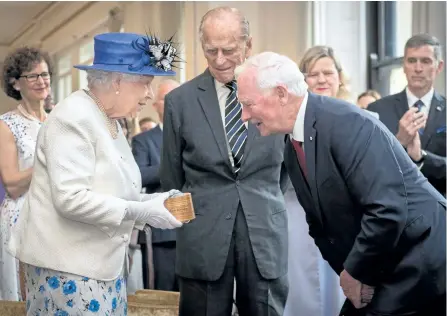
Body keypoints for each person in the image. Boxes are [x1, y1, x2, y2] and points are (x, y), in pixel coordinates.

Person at [236, 51, 446, 316]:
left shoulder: (346, 123)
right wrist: (350, 274)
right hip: (383, 258)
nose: (244, 115)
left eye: (248, 103)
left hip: (419, 256)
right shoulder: (293, 143)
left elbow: (387, 209)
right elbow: (320, 225)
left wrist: (355, 273)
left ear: (281, 93)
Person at [7, 32, 183, 315]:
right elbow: (71, 198)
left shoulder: (107, 119)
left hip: (99, 268)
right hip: (68, 271)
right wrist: (139, 211)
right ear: (117, 82)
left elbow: (108, 189)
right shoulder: (73, 118)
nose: (149, 95)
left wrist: (153, 202)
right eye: (146, 84)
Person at [160, 7, 288, 316]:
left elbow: (285, 171)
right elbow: (171, 179)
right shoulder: (180, 101)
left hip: (264, 236)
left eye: (229, 50)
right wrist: (191, 226)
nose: (219, 60)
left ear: (248, 45)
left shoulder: (277, 96)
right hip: (201, 240)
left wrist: (262, 199)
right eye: (210, 50)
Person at [0, 46, 52, 301]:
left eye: (45, 74)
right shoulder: (6, 124)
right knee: (23, 297)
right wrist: (48, 163)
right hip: (21, 218)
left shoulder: (58, 121)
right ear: (15, 83)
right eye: (33, 76)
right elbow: (11, 184)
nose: (41, 81)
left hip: (54, 214)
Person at [368, 34, 446, 195]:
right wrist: (399, 143)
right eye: (411, 61)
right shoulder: (377, 109)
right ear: (403, 65)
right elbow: (368, 165)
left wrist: (422, 157)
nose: (418, 68)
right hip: (392, 206)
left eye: (425, 61)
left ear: (439, 67)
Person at [132, 79, 180, 291]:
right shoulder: (144, 140)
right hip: (161, 233)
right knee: (160, 295)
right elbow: (139, 175)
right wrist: (174, 166)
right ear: (156, 105)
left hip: (197, 231)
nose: (173, 103)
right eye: (166, 99)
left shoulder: (195, 136)